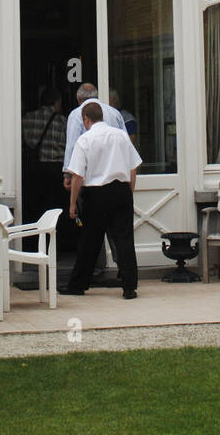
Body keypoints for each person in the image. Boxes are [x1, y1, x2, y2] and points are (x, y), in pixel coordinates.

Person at [60, 100, 141, 298]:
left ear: (85, 119)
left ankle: (78, 285)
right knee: (124, 239)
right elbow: (134, 165)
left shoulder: (85, 140)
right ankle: (129, 286)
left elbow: (78, 175)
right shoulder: (121, 135)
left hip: (96, 194)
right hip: (121, 190)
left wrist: (72, 204)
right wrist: (129, 189)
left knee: (90, 240)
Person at [21, 88, 67, 225]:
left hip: (37, 168)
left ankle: (38, 232)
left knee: (38, 205)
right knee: (56, 206)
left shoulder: (27, 119)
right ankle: (55, 233)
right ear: (57, 102)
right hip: (56, 169)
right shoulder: (63, 122)